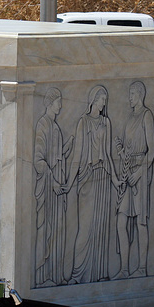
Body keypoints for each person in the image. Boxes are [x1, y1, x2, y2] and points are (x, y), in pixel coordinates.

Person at [62, 85, 119, 284]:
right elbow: (77, 155)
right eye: (102, 98)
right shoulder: (83, 122)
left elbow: (109, 154)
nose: (104, 102)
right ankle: (78, 274)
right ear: (93, 99)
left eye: (105, 99)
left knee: (101, 227)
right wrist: (69, 183)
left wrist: (115, 178)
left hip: (103, 176)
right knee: (85, 228)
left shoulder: (106, 122)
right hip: (86, 177)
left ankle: (99, 273)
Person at [115, 81, 154, 278]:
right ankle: (123, 269)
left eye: (132, 93)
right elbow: (128, 150)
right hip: (127, 171)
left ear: (139, 94)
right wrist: (121, 151)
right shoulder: (130, 117)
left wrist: (138, 174)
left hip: (141, 173)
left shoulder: (146, 115)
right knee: (121, 221)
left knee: (141, 222)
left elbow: (152, 151)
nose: (129, 97)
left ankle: (141, 268)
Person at [33, 87, 72, 287]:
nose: (61, 105)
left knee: (58, 232)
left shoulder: (55, 127)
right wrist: (53, 181)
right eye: (58, 101)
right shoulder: (43, 125)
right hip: (48, 190)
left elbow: (56, 157)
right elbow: (39, 160)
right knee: (46, 232)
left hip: (57, 190)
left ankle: (55, 276)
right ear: (50, 102)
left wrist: (67, 149)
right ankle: (42, 277)